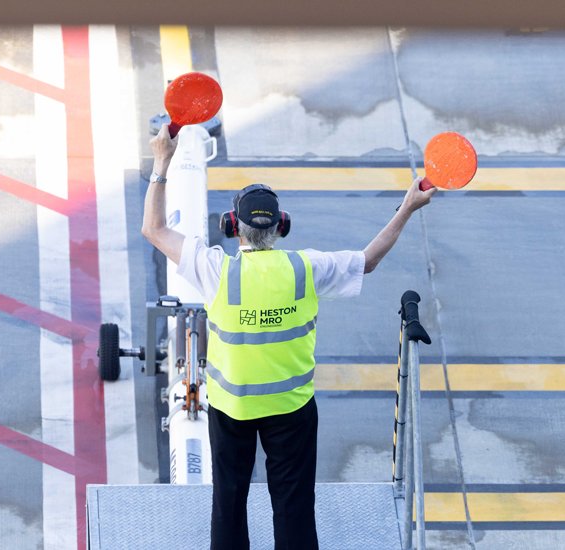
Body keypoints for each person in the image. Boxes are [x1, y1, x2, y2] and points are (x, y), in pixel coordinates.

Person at [141, 124, 435, 550]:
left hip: (231, 407)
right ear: (282, 226)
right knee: (294, 507)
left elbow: (153, 229)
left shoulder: (217, 270)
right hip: (291, 410)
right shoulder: (306, 268)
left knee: (228, 503)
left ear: (232, 227)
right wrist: (407, 206)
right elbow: (368, 260)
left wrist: (161, 163)